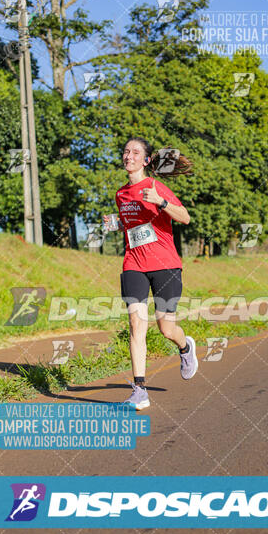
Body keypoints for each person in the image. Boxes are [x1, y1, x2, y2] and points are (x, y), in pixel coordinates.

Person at [103, 137, 197, 410]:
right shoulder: (121, 194)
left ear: (145, 160)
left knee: (166, 328)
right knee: (135, 325)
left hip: (165, 264)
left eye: (134, 152)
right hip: (133, 264)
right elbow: (134, 227)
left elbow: (185, 217)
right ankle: (140, 390)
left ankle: (185, 347)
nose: (128, 156)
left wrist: (161, 202)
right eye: (125, 151)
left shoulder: (156, 186)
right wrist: (117, 224)